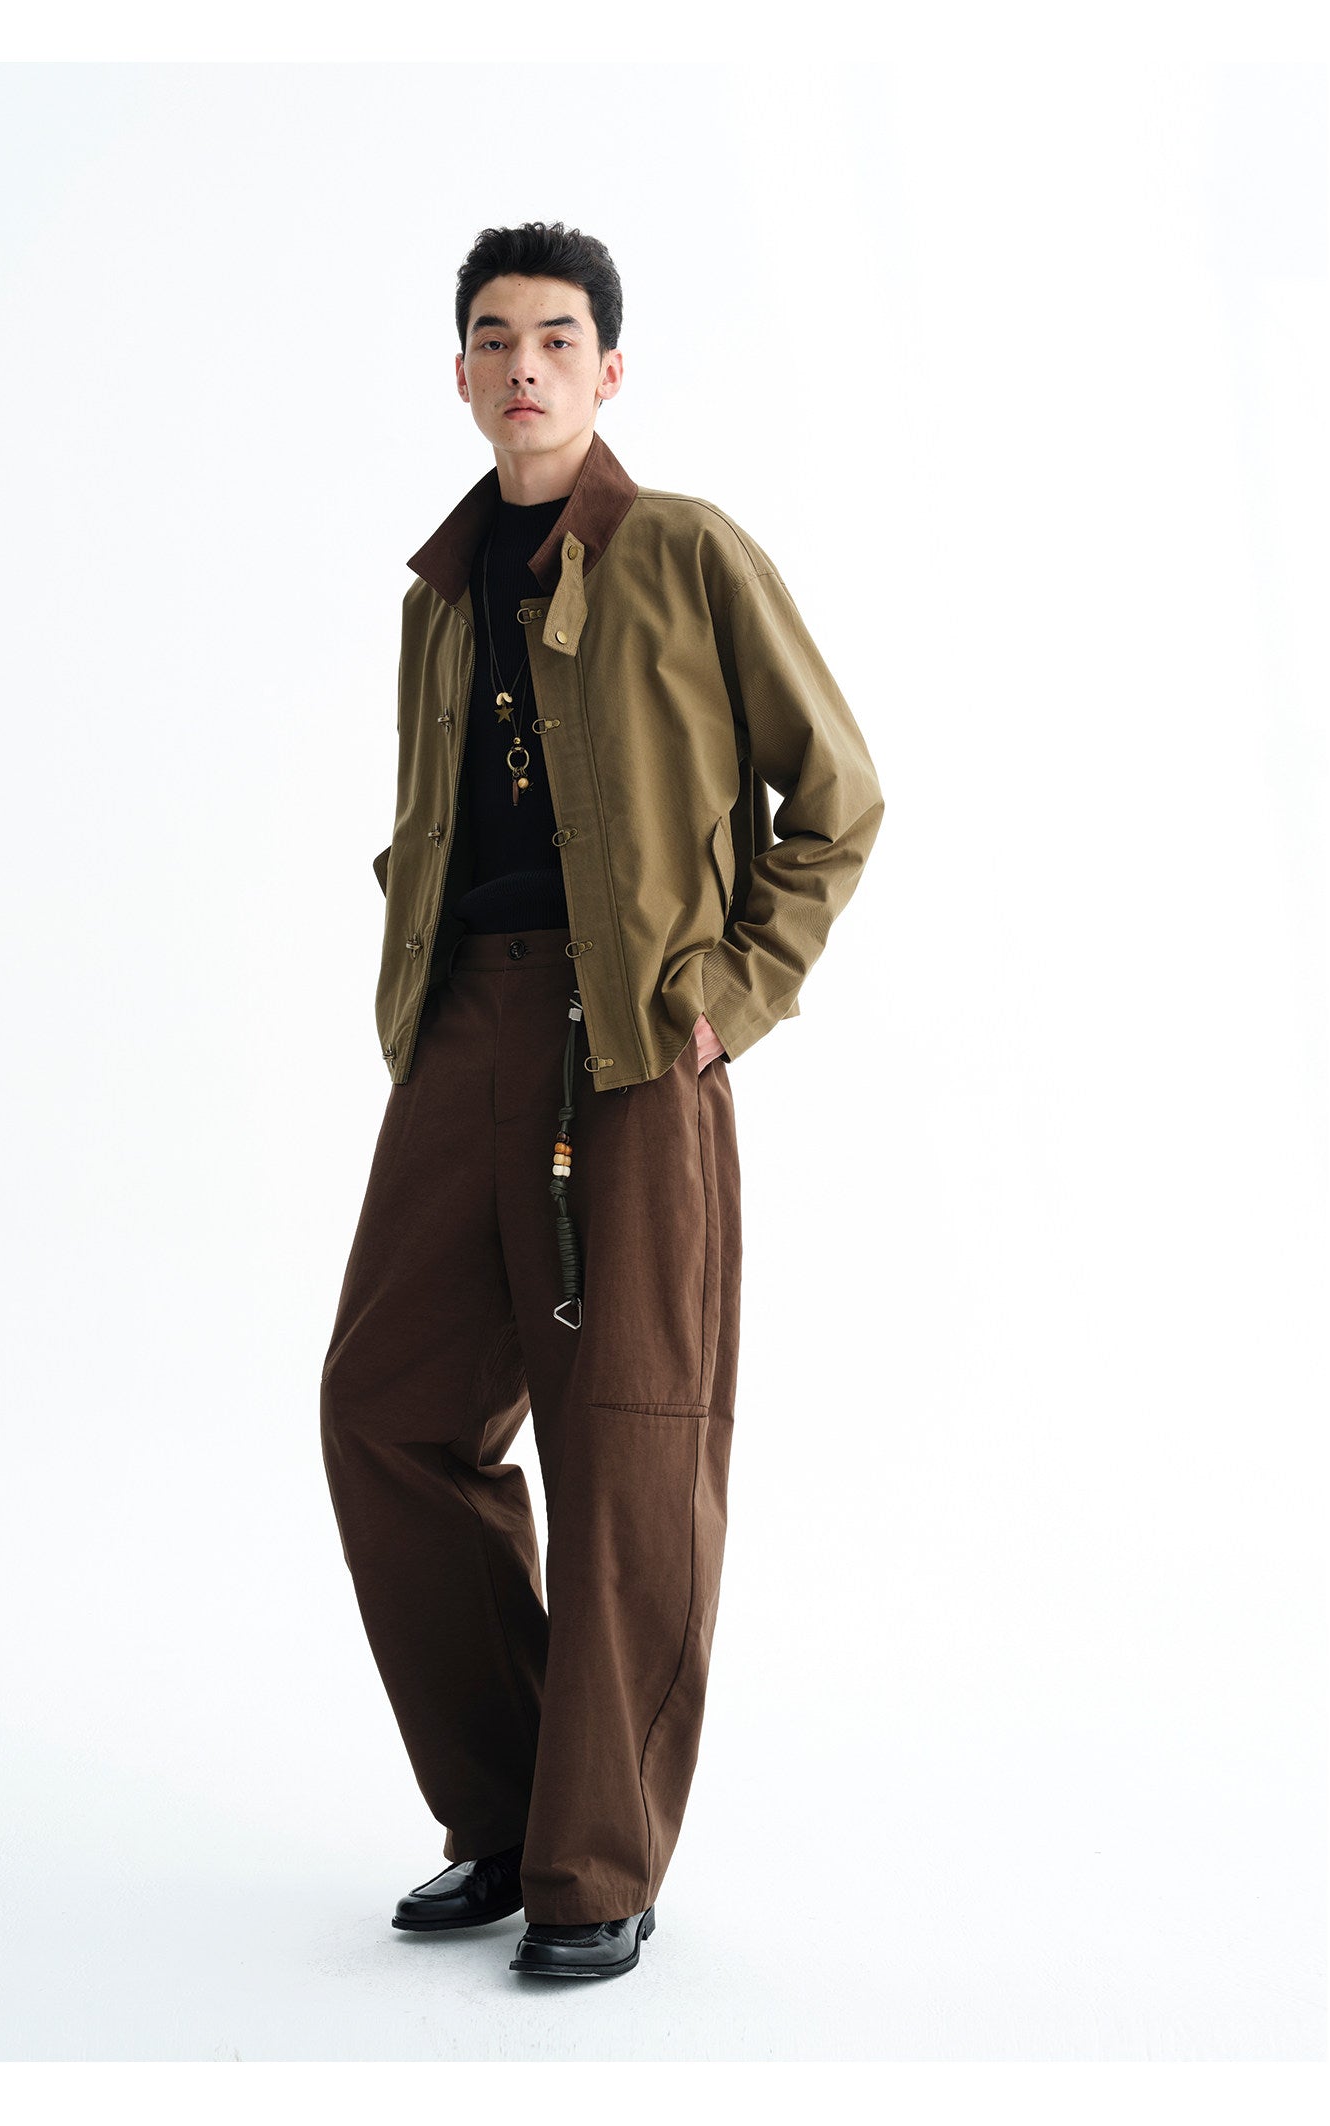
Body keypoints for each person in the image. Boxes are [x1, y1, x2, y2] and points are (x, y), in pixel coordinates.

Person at [320, 220, 884, 1982]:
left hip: (635, 1044)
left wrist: (730, 996)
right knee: (386, 1411)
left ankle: (597, 1862)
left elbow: (838, 797)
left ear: (610, 369)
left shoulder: (686, 551)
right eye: (495, 338)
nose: (525, 365)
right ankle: (506, 1812)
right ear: (461, 371)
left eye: (557, 337)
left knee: (627, 1446)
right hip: (463, 1033)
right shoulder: (436, 597)